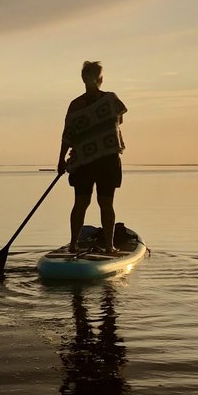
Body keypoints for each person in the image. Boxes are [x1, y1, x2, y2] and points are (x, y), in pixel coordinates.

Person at [56, 60, 127, 254]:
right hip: (102, 159)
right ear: (100, 79)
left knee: (84, 202)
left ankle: (74, 245)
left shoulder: (76, 105)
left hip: (89, 160)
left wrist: (61, 160)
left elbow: (67, 136)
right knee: (103, 203)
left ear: (83, 79)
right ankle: (108, 246)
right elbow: (119, 121)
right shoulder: (110, 100)